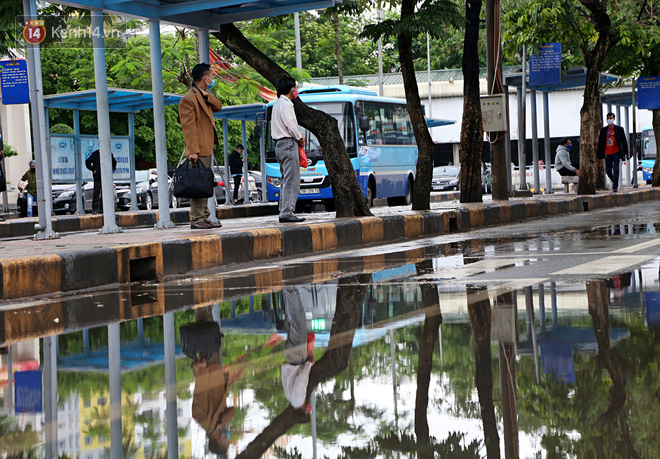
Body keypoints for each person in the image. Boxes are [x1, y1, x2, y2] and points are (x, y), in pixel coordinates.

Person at [179, 62, 223, 229]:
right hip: (198, 149)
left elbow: (218, 106)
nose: (213, 78)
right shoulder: (188, 99)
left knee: (204, 184)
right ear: (205, 77)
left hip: (207, 146)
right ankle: (197, 219)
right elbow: (188, 128)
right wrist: (193, 151)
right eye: (211, 75)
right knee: (197, 185)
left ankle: (204, 217)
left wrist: (206, 94)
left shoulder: (203, 96)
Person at [271, 77, 306, 223]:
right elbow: (291, 124)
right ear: (292, 89)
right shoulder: (286, 104)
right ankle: (287, 211)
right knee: (292, 180)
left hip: (279, 145)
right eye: (295, 87)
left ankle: (284, 210)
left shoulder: (276, 104)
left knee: (286, 179)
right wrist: (299, 137)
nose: (296, 90)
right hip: (288, 143)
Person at [281, 286, 315, 418]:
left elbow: (301, 378)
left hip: (298, 357)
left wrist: (309, 364)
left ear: (305, 411)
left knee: (297, 319)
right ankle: (287, 291)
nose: (310, 409)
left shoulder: (299, 398)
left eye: (309, 411)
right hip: (290, 356)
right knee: (292, 320)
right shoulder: (290, 398)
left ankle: (290, 289)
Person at [597, 112, 629, 192]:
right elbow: (600, 142)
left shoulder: (619, 129)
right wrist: (599, 154)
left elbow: (624, 141)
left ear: (614, 119)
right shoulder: (604, 130)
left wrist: (626, 152)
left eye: (611, 118)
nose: (609, 120)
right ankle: (615, 180)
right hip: (607, 153)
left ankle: (615, 186)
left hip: (616, 152)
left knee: (616, 169)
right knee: (608, 170)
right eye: (608, 118)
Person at [85, 149, 117, 214]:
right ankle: (94, 208)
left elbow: (114, 162)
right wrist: (93, 169)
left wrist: (112, 170)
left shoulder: (108, 153)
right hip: (97, 177)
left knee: (105, 193)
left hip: (106, 177)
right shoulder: (95, 154)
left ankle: (103, 208)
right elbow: (87, 162)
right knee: (96, 192)